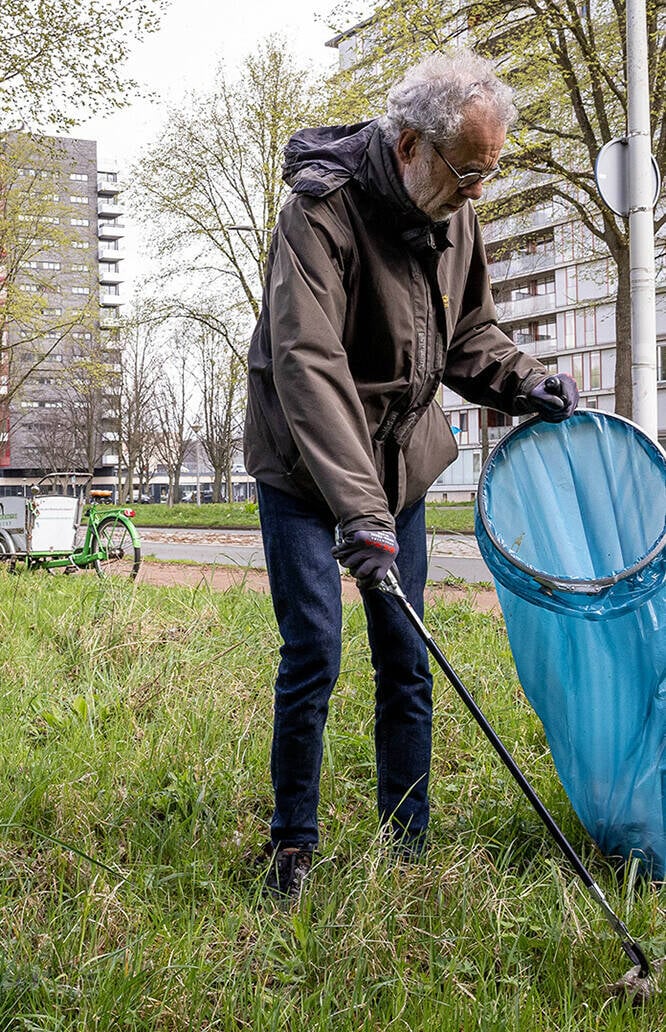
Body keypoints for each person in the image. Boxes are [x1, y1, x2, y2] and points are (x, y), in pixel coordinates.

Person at [243, 50, 579, 898]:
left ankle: (407, 845)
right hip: (304, 466)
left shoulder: (456, 207)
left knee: (407, 654)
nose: (478, 193)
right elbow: (308, 365)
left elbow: (469, 335)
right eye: (468, 172)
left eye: (488, 174)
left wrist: (524, 380)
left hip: (402, 462)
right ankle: (293, 846)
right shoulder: (318, 214)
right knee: (314, 650)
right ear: (407, 146)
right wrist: (360, 515)